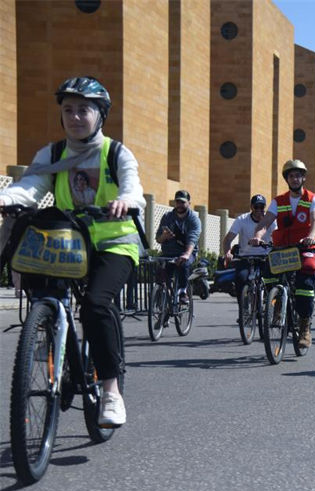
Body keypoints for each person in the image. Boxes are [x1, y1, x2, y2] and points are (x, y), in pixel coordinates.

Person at [0, 76, 145, 426]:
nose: (75, 117)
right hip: (70, 244)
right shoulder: (51, 154)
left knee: (96, 305)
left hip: (115, 244)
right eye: (68, 110)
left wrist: (125, 201)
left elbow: (134, 188)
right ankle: (52, 332)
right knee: (40, 285)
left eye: (84, 109)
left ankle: (111, 392)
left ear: (100, 114)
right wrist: (6, 198)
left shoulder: (116, 152)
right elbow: (31, 188)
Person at [250, 159, 315, 349]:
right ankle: (277, 303)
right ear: (287, 179)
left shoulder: (313, 199)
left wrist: (311, 236)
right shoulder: (278, 201)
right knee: (268, 270)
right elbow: (266, 221)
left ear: (303, 178)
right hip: (283, 248)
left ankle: (305, 326)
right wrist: (257, 235)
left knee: (306, 276)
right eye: (291, 176)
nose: (295, 179)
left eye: (298, 175)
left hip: (306, 247)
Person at [221, 194, 275, 302]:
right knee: (240, 279)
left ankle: (271, 307)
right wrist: (227, 252)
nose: (259, 210)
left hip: (265, 257)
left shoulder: (270, 220)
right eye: (256, 207)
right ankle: (243, 312)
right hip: (246, 257)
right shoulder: (242, 219)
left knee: (273, 281)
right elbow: (227, 240)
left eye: (262, 207)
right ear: (251, 207)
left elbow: (277, 236)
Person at [156, 190, 201, 304]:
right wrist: (164, 236)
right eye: (178, 202)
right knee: (160, 271)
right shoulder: (167, 217)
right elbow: (158, 239)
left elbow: (192, 238)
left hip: (185, 253)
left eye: (183, 202)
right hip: (168, 253)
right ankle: (161, 297)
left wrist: (186, 254)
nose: (180, 205)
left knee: (183, 264)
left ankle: (182, 292)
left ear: (189, 203)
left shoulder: (193, 219)